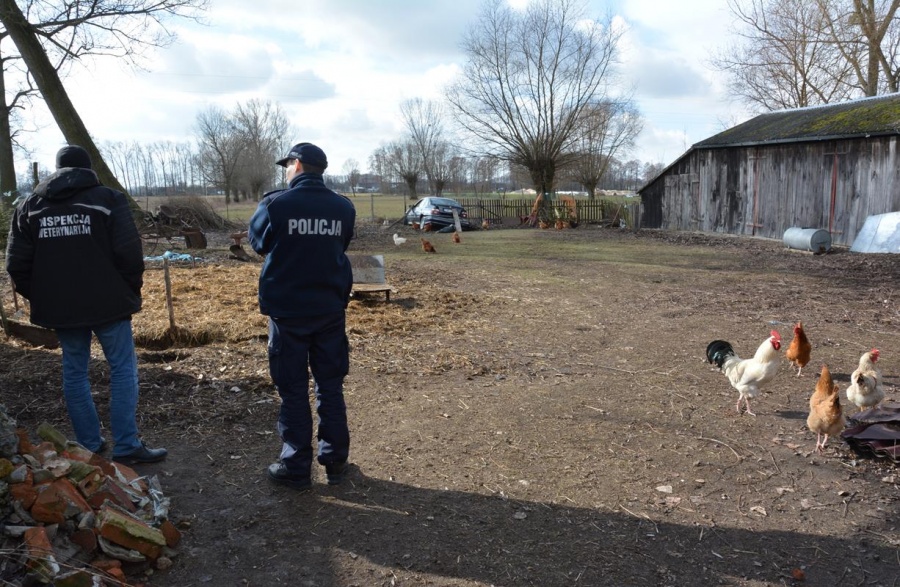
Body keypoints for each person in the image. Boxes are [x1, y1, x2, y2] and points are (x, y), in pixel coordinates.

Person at [5, 144, 167, 465]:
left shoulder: (30, 206)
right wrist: (127, 291)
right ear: (87, 168)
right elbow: (130, 255)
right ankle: (126, 445)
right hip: (109, 302)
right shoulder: (107, 200)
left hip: (62, 308)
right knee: (122, 369)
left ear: (57, 170)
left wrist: (43, 297)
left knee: (75, 372)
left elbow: (16, 266)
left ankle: (89, 445)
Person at [248, 142, 356, 490]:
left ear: (296, 165)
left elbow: (257, 243)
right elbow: (341, 246)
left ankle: (295, 466)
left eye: (287, 164)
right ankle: (335, 462)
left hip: (288, 312)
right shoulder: (343, 207)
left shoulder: (275, 204)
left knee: (293, 388)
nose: (285, 170)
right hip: (328, 309)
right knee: (330, 384)